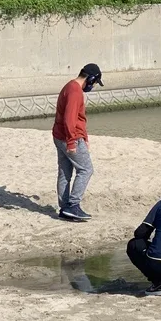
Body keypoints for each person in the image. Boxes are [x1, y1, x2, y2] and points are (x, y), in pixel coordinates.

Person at [52, 63, 103, 222]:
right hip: (69, 137)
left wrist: (85, 137)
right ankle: (73, 206)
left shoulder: (69, 86)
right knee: (86, 169)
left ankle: (64, 208)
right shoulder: (75, 92)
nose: (93, 86)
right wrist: (73, 142)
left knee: (65, 172)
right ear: (90, 78)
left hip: (59, 136)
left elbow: (76, 119)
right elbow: (70, 119)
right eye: (94, 83)